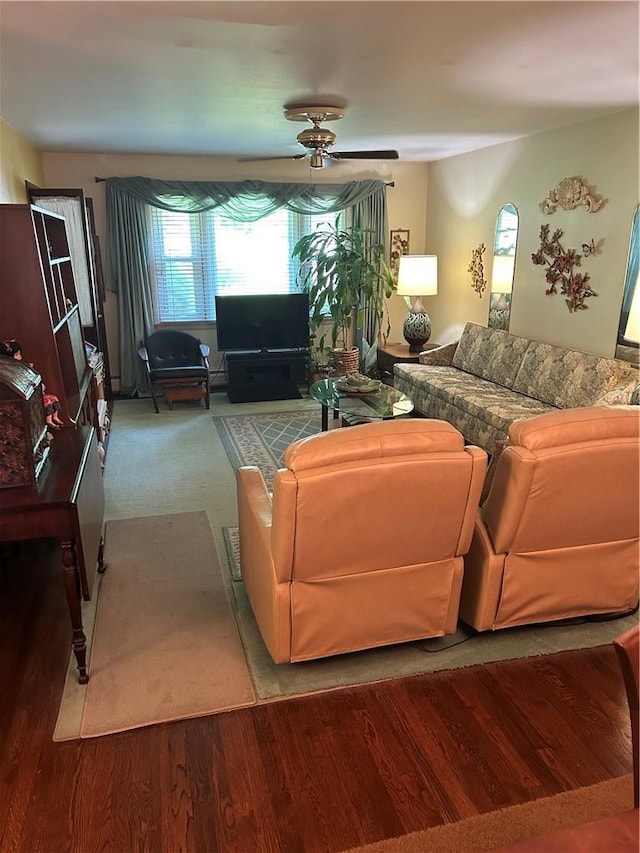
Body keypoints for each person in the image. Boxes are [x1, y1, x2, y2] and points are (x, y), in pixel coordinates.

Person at [0, 339, 65, 428]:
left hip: (35, 394)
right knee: (48, 401)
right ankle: (49, 421)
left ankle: (55, 417)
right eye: (16, 355)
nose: (20, 357)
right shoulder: (8, 373)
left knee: (53, 398)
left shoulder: (21, 368)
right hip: (30, 400)